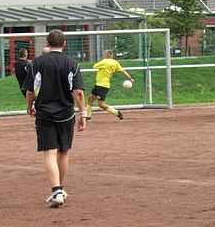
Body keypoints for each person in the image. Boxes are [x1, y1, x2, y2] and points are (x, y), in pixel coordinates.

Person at [23, 29, 86, 208]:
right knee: (64, 151)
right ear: (64, 43)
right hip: (66, 113)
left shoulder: (38, 63)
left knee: (50, 152)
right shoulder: (72, 63)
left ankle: (56, 189)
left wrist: (29, 106)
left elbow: (30, 90)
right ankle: (59, 189)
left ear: (47, 44)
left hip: (45, 113)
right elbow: (78, 92)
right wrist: (83, 114)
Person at [85, 50, 134, 121]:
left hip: (101, 86)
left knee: (101, 104)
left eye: (104, 54)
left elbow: (94, 66)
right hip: (101, 85)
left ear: (107, 55)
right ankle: (88, 116)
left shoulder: (104, 61)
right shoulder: (115, 62)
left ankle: (117, 113)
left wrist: (102, 66)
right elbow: (123, 71)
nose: (103, 55)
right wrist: (130, 78)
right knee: (90, 98)